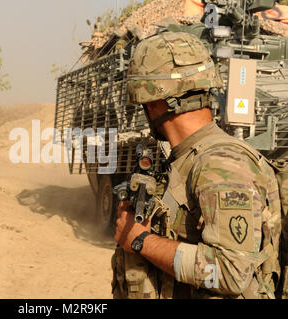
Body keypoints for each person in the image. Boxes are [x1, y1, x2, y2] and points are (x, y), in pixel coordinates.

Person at [112, 31, 282, 299]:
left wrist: (140, 241)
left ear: (155, 103)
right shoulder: (187, 158)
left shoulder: (220, 164)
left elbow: (229, 273)